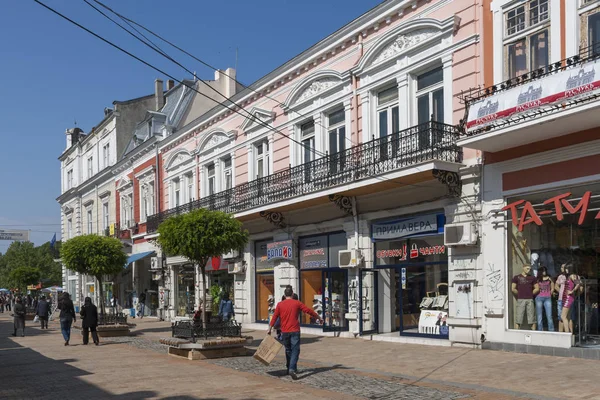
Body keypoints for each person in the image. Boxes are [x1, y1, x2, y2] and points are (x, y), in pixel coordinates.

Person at [267, 287, 321, 380]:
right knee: (295, 350)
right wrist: (318, 317)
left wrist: (270, 328)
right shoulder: (297, 303)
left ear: (284, 295)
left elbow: (275, 316)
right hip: (295, 330)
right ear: (292, 294)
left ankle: (290, 368)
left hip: (284, 331)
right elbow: (308, 310)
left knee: (288, 349)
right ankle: (292, 368)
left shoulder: (280, 304)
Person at [511, 264, 539, 330]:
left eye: (530, 269)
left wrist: (530, 293)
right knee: (518, 318)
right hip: (520, 299)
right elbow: (513, 288)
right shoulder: (517, 277)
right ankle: (516, 333)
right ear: (523, 268)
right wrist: (519, 294)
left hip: (530, 299)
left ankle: (534, 333)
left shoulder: (532, 278)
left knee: (532, 318)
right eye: (527, 268)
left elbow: (537, 288)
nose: (528, 270)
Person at [535, 266, 554, 331]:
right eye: (543, 271)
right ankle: (540, 330)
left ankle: (551, 330)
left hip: (547, 298)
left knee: (549, 316)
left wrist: (550, 293)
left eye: (545, 270)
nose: (544, 272)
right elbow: (535, 287)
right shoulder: (537, 279)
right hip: (539, 297)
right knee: (539, 316)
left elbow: (552, 286)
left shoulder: (549, 278)